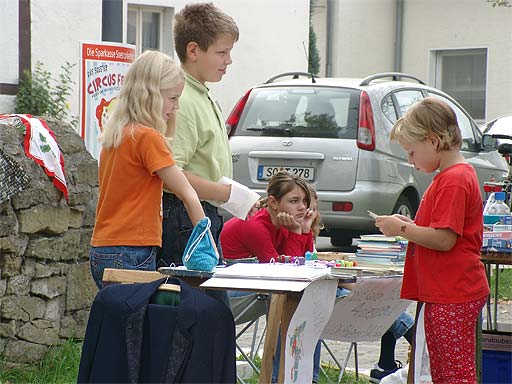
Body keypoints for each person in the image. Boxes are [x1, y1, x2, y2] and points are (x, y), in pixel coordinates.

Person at [220, 172, 414, 383]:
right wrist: (297, 231)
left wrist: (302, 230)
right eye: (294, 201)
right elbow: (289, 274)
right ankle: (284, 377)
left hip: (267, 287)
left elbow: (303, 262)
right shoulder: (257, 226)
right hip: (236, 292)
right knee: (308, 302)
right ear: (274, 203)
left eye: (305, 201)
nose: (303, 207)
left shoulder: (285, 221)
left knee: (317, 299)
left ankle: (305, 376)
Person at [375, 97, 489, 383]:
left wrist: (401, 230)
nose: (411, 162)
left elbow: (444, 240)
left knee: (453, 374)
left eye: (412, 152)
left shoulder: (454, 179)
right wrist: (410, 225)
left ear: (433, 140)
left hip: (452, 291)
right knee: (442, 372)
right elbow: (440, 231)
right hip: (445, 290)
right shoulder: (451, 176)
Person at [89, 50, 205, 290]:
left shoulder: (117, 134)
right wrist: (206, 245)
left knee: (118, 324)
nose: (176, 107)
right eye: (173, 98)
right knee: (136, 327)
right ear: (151, 95)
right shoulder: (147, 137)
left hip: (103, 247)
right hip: (132, 249)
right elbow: (188, 193)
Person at [157, 3, 239, 268]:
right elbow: (171, 173)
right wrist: (225, 193)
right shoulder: (184, 99)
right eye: (222, 52)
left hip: (199, 214)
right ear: (193, 50)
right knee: (195, 304)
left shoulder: (199, 91)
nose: (228, 60)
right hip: (185, 218)